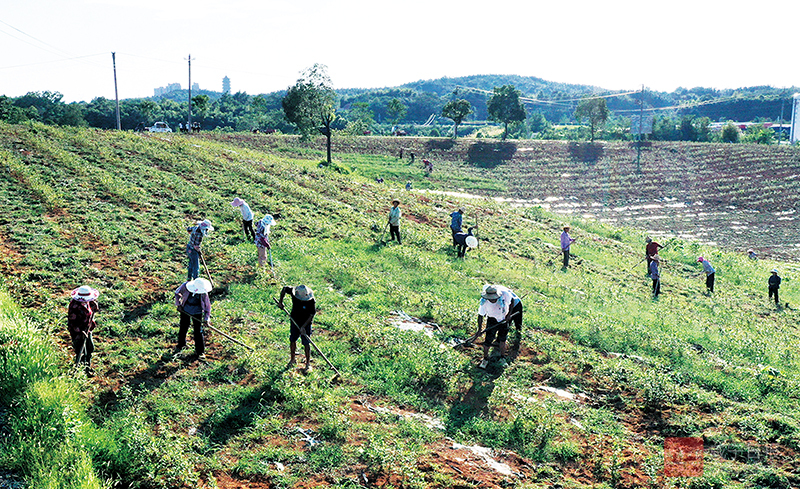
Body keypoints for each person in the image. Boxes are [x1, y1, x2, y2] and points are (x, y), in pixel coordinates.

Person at [476, 285, 523, 368]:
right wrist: (479, 329)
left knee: (502, 339)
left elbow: (512, 301)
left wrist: (509, 314)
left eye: (494, 298)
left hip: (503, 320)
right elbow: (480, 315)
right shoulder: (484, 302)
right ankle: (485, 359)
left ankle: (502, 357)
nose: (493, 299)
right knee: (488, 341)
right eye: (491, 298)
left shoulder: (504, 295)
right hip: (491, 320)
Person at [278, 285, 316, 372]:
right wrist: (280, 302)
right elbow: (284, 289)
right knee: (292, 339)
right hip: (294, 319)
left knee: (306, 342)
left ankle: (307, 364)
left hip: (306, 322)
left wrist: (303, 327)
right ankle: (292, 359)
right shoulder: (293, 291)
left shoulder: (311, 301)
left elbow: (311, 315)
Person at [174, 278, 212, 359]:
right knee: (183, 327)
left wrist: (206, 318)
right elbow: (177, 293)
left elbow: (207, 306)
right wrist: (179, 304)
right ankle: (181, 345)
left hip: (198, 311)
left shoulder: (203, 293)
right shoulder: (185, 286)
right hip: (186, 310)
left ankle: (200, 351)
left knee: (198, 331)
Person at [68, 285, 100, 373]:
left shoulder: (87, 302)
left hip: (87, 328)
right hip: (78, 332)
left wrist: (94, 306)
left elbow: (90, 306)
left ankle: (87, 367)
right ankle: (81, 371)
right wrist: (81, 332)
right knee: (81, 352)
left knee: (90, 348)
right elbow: (73, 323)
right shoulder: (74, 307)